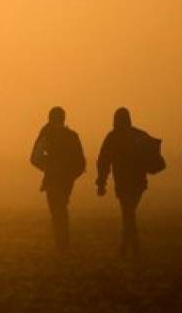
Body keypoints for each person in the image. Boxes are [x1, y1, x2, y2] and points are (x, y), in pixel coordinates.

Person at [95, 107, 162, 259]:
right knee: (128, 215)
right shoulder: (139, 135)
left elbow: (103, 162)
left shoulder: (113, 137)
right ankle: (125, 250)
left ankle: (133, 250)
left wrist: (101, 184)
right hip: (139, 184)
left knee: (128, 215)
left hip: (124, 184)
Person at [30, 106, 86, 252]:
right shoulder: (72, 136)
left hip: (53, 179)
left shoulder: (47, 134)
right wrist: (71, 176)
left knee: (57, 210)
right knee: (61, 208)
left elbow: (34, 158)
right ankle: (63, 243)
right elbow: (81, 163)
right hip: (67, 181)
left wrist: (47, 167)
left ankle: (62, 244)